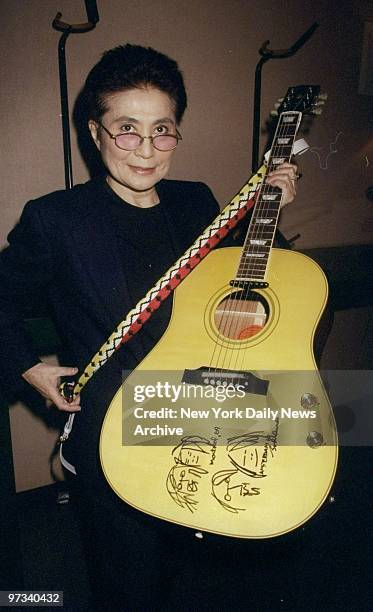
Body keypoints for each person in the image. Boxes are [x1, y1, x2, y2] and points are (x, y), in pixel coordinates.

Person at [0, 44, 297, 610]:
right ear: (95, 132)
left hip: (203, 415)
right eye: (126, 130)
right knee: (129, 580)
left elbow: (258, 283)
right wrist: (30, 369)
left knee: (199, 570)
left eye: (162, 130)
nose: (145, 149)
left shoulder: (197, 201)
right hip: (117, 429)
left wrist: (270, 212)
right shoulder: (55, 219)